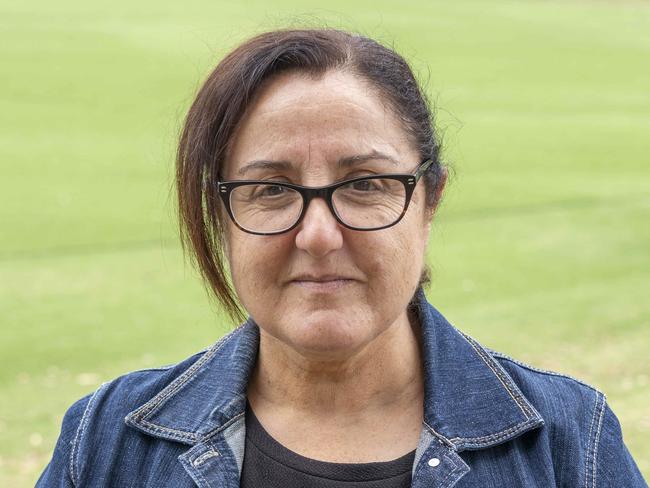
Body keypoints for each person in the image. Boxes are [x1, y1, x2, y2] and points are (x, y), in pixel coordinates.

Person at [37, 29, 647, 488]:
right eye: (272, 189)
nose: (319, 235)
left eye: (364, 184)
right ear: (219, 215)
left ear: (429, 201)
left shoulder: (569, 446)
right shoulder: (108, 441)